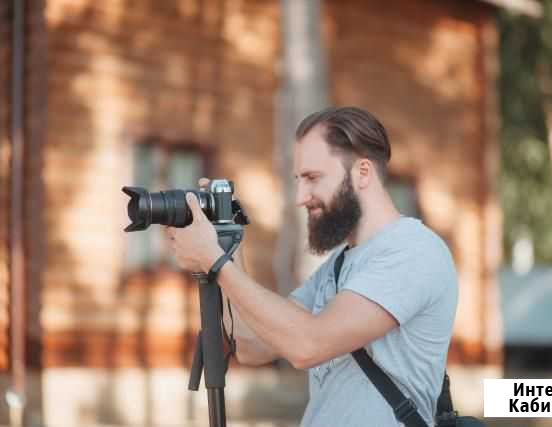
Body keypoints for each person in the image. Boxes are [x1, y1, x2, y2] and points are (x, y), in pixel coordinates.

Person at [167, 106, 458, 426]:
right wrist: (229, 241)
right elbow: (252, 346)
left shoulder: (412, 251)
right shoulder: (339, 264)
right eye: (298, 180)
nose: (301, 197)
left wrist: (216, 262)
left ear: (363, 173)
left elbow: (308, 345)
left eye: (313, 178)